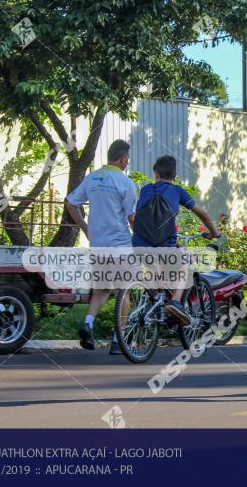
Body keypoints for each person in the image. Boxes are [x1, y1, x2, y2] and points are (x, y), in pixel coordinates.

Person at [65, 139, 137, 355]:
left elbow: (71, 204)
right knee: (124, 290)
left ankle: (88, 323)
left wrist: (86, 228)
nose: (127, 163)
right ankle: (118, 340)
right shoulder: (126, 183)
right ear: (123, 158)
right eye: (127, 159)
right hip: (121, 244)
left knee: (102, 289)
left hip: (98, 244)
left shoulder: (93, 177)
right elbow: (131, 216)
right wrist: (141, 237)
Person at [131, 155, 220, 325]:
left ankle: (155, 303)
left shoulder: (145, 190)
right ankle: (176, 303)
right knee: (185, 261)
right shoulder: (177, 191)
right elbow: (202, 214)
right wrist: (213, 232)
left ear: (156, 174)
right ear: (174, 176)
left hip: (139, 245)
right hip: (164, 246)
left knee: (151, 266)